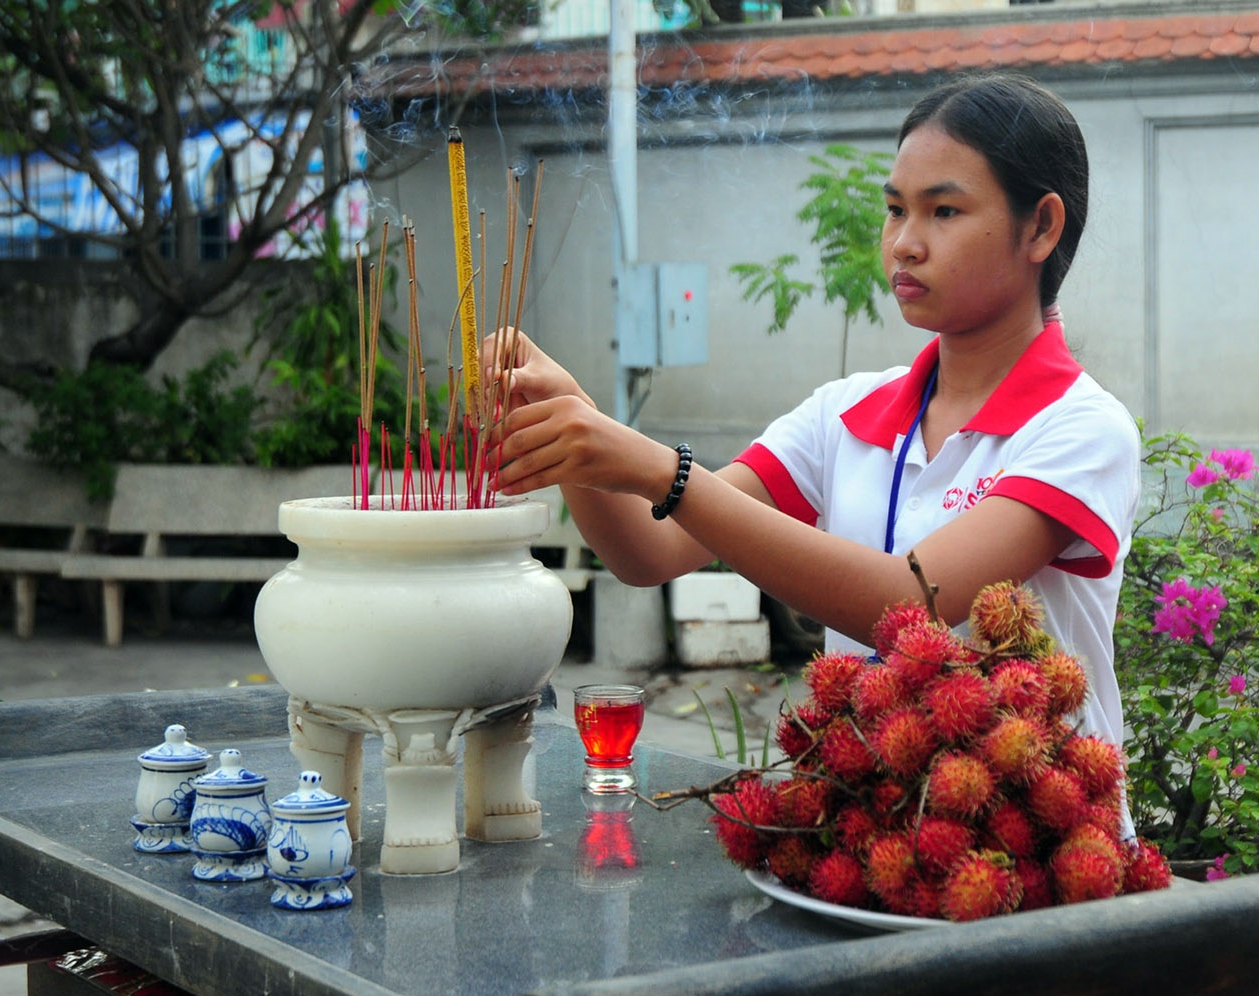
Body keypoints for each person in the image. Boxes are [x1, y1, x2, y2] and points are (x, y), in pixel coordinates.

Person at [485, 71, 1140, 762]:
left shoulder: (1081, 429)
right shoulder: (847, 413)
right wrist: (570, 426)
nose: (904, 243)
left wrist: (660, 470)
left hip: (1034, 818)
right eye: (896, 210)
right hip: (868, 811)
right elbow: (649, 551)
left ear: (1040, 227)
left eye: (943, 211)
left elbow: (911, 602)